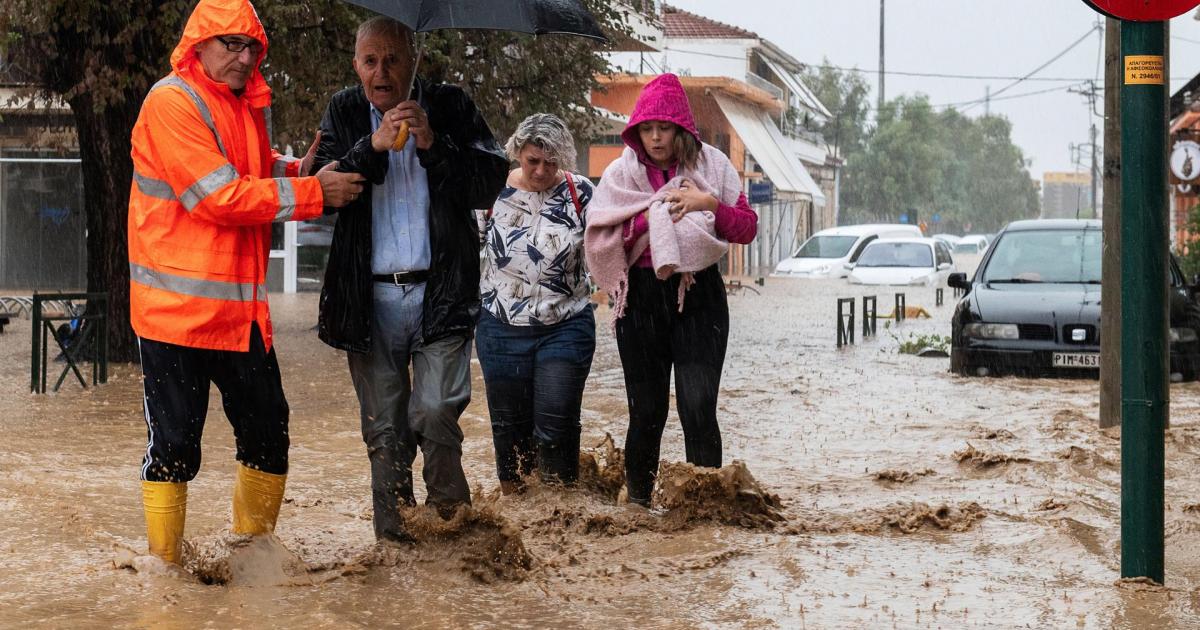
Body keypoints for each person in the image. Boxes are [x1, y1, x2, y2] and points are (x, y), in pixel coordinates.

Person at [128, 0, 365, 564]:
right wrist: (313, 194)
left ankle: (254, 561)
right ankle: (167, 575)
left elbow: (250, 175)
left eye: (251, 46)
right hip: (176, 317)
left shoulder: (242, 105)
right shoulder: (171, 101)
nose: (243, 56)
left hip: (240, 316)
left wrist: (298, 171)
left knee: (268, 436)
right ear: (198, 47)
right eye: (230, 44)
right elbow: (215, 196)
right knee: (175, 449)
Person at [313, 16, 508, 542]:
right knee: (385, 432)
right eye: (370, 61)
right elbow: (322, 191)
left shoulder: (450, 105)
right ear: (356, 66)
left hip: (440, 292)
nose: (382, 72)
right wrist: (371, 147)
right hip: (368, 299)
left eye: (393, 59)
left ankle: (452, 532)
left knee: (435, 410)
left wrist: (434, 145)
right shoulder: (344, 110)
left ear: (411, 59)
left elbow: (491, 181)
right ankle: (395, 545)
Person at [584, 73, 758, 507]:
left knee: (698, 410)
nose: (656, 138)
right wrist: (651, 216)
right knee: (646, 413)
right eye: (647, 128)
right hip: (639, 298)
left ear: (682, 128)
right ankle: (640, 511)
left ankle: (705, 514)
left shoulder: (713, 166)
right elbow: (603, 235)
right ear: (636, 130)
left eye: (664, 128)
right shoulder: (620, 174)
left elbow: (747, 228)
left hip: (699, 297)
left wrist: (708, 205)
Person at [476, 114, 596, 494]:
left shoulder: (582, 193)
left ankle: (561, 509)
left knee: (556, 421)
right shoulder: (491, 189)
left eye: (551, 162)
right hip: (500, 326)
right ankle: (516, 507)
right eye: (533, 161)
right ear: (518, 155)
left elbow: (605, 249)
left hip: (566, 324)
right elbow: (467, 248)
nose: (541, 170)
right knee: (509, 426)